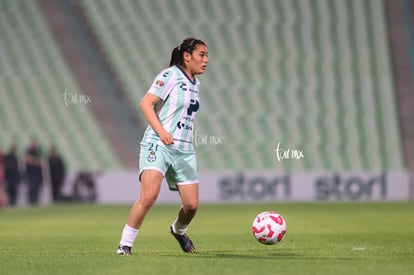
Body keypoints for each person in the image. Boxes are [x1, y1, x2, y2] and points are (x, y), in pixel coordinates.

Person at [117, 37, 208, 255]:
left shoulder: (196, 84)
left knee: (192, 206)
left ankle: (178, 230)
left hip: (184, 150)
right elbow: (145, 104)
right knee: (148, 196)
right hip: (158, 144)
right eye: (201, 55)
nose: (206, 60)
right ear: (187, 57)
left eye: (207, 55)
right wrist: (162, 132)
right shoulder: (170, 75)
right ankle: (124, 245)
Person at [25, 139, 43, 205]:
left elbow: (40, 161)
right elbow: (28, 160)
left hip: (37, 173)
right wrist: (36, 161)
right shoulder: (29, 151)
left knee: (37, 188)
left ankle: (35, 201)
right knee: (32, 187)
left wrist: (35, 161)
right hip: (31, 173)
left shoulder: (37, 151)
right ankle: (31, 201)